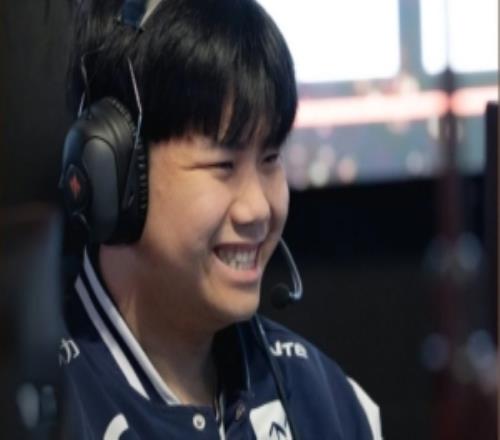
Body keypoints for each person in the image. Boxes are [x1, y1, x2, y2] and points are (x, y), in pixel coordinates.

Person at [59, 0, 383, 438]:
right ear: (112, 173)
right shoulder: (38, 406)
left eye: (270, 159)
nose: (258, 209)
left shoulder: (328, 403)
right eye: (223, 166)